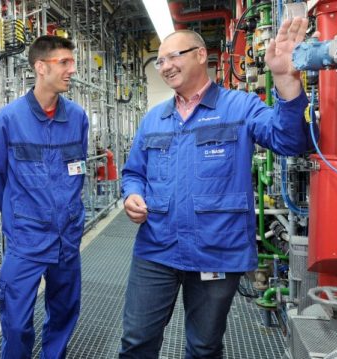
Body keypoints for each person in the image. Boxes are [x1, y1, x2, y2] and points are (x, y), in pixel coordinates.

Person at [119, 18, 312, 358]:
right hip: (156, 249)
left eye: (173, 56)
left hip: (217, 249)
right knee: (136, 341)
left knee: (204, 347)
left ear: (200, 55)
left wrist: (286, 82)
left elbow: (289, 140)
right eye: (160, 60)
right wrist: (131, 194)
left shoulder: (240, 107)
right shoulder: (153, 119)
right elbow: (134, 171)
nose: (165, 66)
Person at [0, 35, 88, 358]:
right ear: (40, 67)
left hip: (67, 240)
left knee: (64, 313)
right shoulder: (9, 120)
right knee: (15, 323)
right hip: (27, 241)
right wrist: (21, 214)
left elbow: (78, 170)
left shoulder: (78, 118)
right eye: (64, 63)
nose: (72, 70)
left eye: (72, 62)